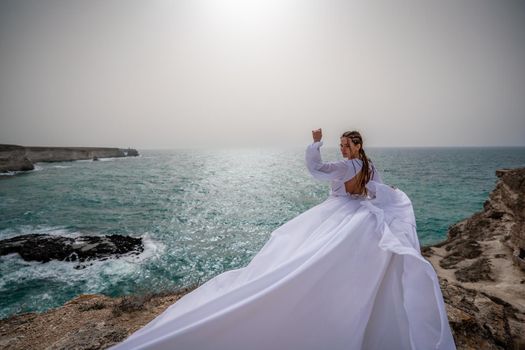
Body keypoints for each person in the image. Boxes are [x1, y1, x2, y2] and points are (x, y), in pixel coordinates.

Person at [110, 129, 456, 350]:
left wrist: (315, 144)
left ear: (357, 145)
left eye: (345, 144)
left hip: (339, 213)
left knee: (300, 255)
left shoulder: (346, 166)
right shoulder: (368, 165)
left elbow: (315, 170)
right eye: (340, 145)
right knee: (353, 263)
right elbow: (375, 190)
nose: (343, 148)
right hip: (362, 216)